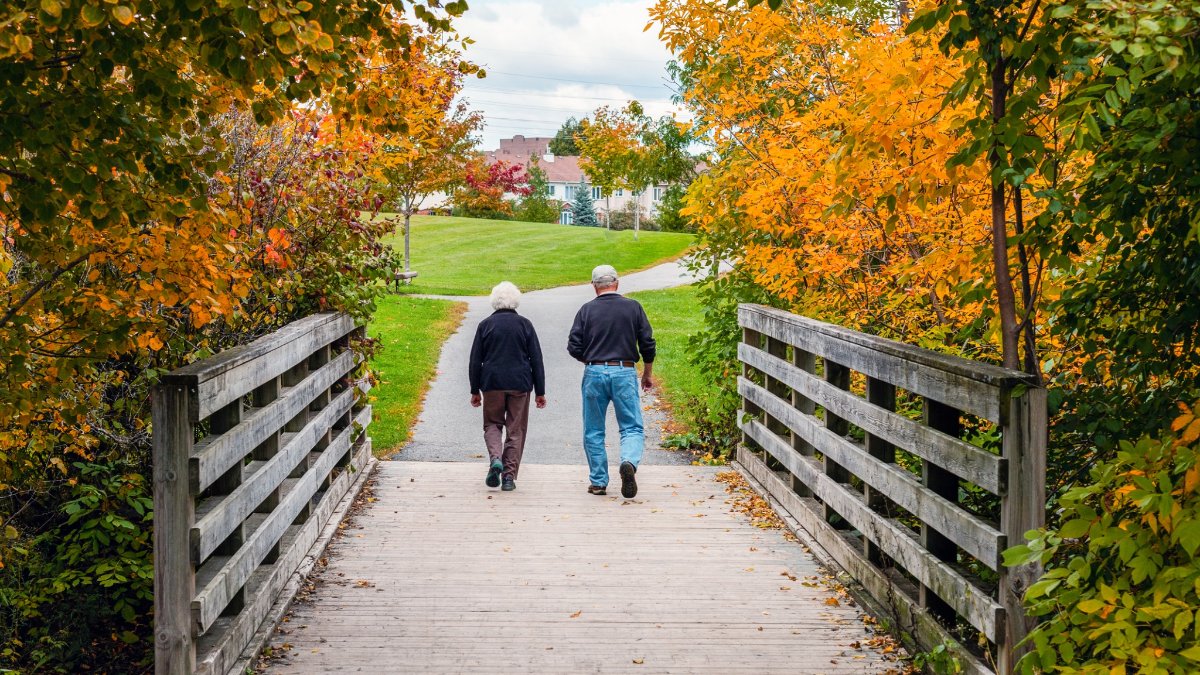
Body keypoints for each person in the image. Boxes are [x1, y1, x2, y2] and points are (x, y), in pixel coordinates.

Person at [567, 264, 655, 498]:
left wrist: (592, 360)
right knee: (632, 426)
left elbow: (573, 346)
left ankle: (598, 482)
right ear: (617, 282)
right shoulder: (633, 308)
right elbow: (647, 343)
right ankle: (628, 462)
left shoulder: (586, 310)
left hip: (594, 372)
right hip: (624, 371)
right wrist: (647, 373)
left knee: (593, 429)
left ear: (594, 285)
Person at [469, 281, 546, 492]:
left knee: (492, 424)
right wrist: (540, 391)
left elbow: (476, 360)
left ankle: (496, 458)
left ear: (494, 301)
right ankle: (509, 477)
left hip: (492, 383)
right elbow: (536, 359)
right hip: (520, 383)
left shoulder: (485, 325)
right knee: (516, 429)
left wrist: (475, 390)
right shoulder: (525, 325)